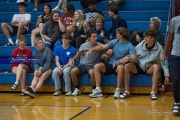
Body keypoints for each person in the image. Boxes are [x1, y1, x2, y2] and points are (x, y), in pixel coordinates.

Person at [87, 27, 136, 98]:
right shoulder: (115, 41)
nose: (116, 34)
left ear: (121, 35)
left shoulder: (129, 45)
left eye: (117, 33)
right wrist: (93, 50)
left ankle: (118, 90)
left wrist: (127, 58)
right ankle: (98, 90)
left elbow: (134, 58)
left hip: (119, 65)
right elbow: (102, 47)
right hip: (111, 63)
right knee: (97, 66)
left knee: (121, 67)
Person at [122, 30, 169, 100]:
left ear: (152, 38)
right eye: (144, 37)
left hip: (149, 67)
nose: (145, 38)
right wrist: (126, 58)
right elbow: (133, 53)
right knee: (127, 66)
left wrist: (166, 75)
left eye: (147, 37)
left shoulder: (159, 47)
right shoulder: (141, 44)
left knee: (156, 67)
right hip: (139, 65)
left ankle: (153, 92)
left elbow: (164, 61)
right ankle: (126, 91)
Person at [70, 30, 104, 96]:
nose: (96, 38)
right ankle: (77, 88)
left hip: (92, 65)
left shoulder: (100, 46)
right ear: (89, 38)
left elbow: (107, 51)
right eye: (94, 37)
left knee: (92, 72)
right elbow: (79, 54)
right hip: (82, 64)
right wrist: (73, 59)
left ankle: (94, 89)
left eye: (96, 36)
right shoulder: (83, 45)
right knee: (73, 71)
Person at [162, 15, 180, 114]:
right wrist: (164, 52)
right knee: (176, 78)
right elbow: (169, 38)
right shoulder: (175, 20)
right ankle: (176, 102)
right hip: (176, 54)